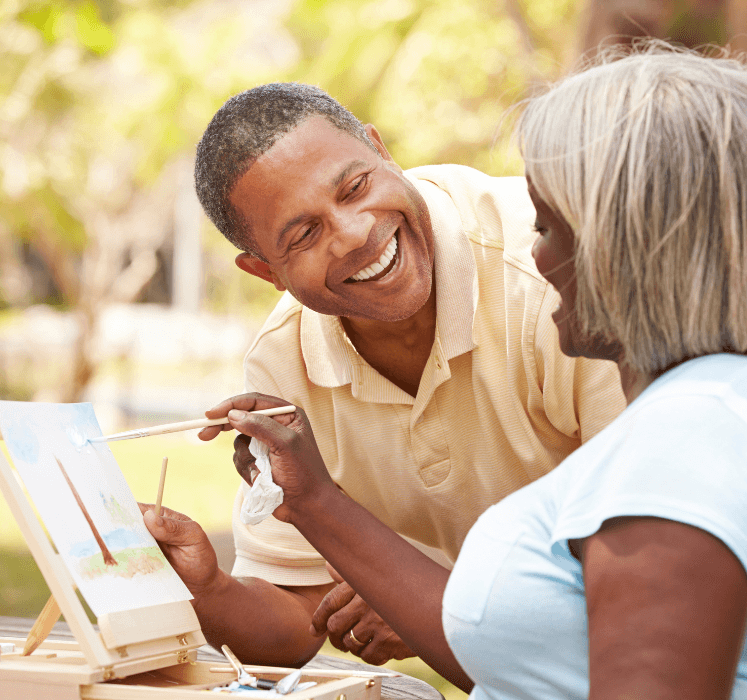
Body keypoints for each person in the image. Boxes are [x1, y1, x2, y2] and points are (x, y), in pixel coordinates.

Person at [155, 43, 747, 699]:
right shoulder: (714, 409)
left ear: (639, 247)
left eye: (548, 226)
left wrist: (405, 582)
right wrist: (266, 541)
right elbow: (563, 657)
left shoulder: (682, 448)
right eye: (303, 233)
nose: (536, 256)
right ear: (263, 272)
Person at [141, 81, 631, 667]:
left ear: (380, 150)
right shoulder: (284, 361)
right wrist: (208, 587)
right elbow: (296, 623)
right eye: (303, 234)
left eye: (355, 187)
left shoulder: (562, 274)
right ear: (263, 270)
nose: (354, 233)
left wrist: (422, 603)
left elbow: (648, 602)